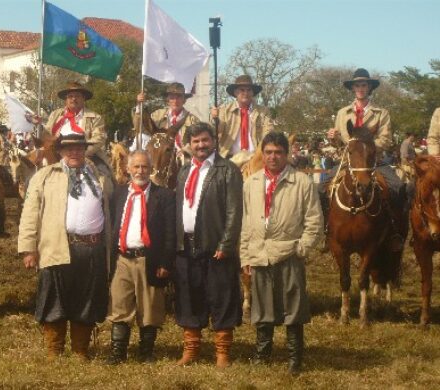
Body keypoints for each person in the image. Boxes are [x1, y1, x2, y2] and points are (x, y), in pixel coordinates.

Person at [18, 133, 113, 360]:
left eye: (79, 149)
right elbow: (30, 213)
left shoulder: (100, 177)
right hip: (57, 246)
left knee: (86, 299)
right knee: (54, 298)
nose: (74, 153)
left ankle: (81, 350)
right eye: (69, 149)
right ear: (60, 151)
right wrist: (29, 248)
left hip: (92, 249)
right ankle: (54, 350)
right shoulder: (45, 176)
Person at [241, 132, 323, 375]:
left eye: (278, 152)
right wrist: (245, 255)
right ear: (262, 154)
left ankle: (294, 357)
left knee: (293, 307)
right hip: (259, 252)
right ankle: (262, 353)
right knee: (262, 307)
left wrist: (302, 248)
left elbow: (314, 221)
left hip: (289, 252)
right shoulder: (251, 183)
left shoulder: (302, 182)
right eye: (268, 152)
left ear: (287, 154)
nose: (273, 157)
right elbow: (246, 222)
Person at [174, 122, 243, 368]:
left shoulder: (228, 170)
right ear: (189, 145)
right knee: (189, 298)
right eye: (195, 142)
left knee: (221, 297)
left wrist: (226, 243)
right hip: (186, 246)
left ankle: (222, 352)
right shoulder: (184, 171)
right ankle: (191, 350)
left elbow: (235, 211)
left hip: (216, 247)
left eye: (204, 140)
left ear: (213, 140)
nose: (200, 145)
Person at [106, 150, 175, 364]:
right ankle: (118, 353)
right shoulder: (118, 194)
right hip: (122, 258)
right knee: (119, 306)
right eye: (136, 166)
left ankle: (146, 353)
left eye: (145, 166)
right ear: (128, 169)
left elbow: (170, 233)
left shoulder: (163, 196)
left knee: (150, 308)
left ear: (151, 168)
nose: (140, 171)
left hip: (149, 259)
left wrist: (165, 262)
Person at [325, 68, 406, 249]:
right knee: (321, 188)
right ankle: (326, 231)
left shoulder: (381, 113)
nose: (360, 88)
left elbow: (386, 139)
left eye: (364, 85)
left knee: (398, 187)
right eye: (357, 85)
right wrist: (333, 138)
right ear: (353, 88)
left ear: (369, 87)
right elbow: (340, 144)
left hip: (374, 162)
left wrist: (366, 149)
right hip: (348, 162)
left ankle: (394, 232)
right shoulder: (342, 113)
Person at [32, 81, 111, 171]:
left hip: (85, 156)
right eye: (70, 96)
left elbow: (99, 138)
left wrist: (80, 153)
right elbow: (46, 135)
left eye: (77, 96)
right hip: (56, 155)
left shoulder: (95, 117)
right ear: (66, 99)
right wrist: (38, 125)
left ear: (83, 98)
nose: (73, 99)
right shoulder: (55, 114)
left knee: (102, 180)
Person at [210, 75, 274, 167]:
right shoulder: (224, 110)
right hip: (229, 159)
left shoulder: (264, 112)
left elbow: (268, 133)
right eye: (242, 90)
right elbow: (217, 130)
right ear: (236, 92)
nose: (246, 93)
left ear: (253, 93)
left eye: (249, 90)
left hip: (254, 159)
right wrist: (215, 120)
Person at [131, 82, 199, 154]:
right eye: (172, 97)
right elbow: (140, 128)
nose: (175, 101)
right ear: (168, 100)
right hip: (160, 156)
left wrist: (184, 151)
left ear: (184, 100)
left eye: (179, 97)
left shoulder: (193, 120)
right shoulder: (157, 115)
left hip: (183, 158)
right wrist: (139, 105)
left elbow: (198, 142)